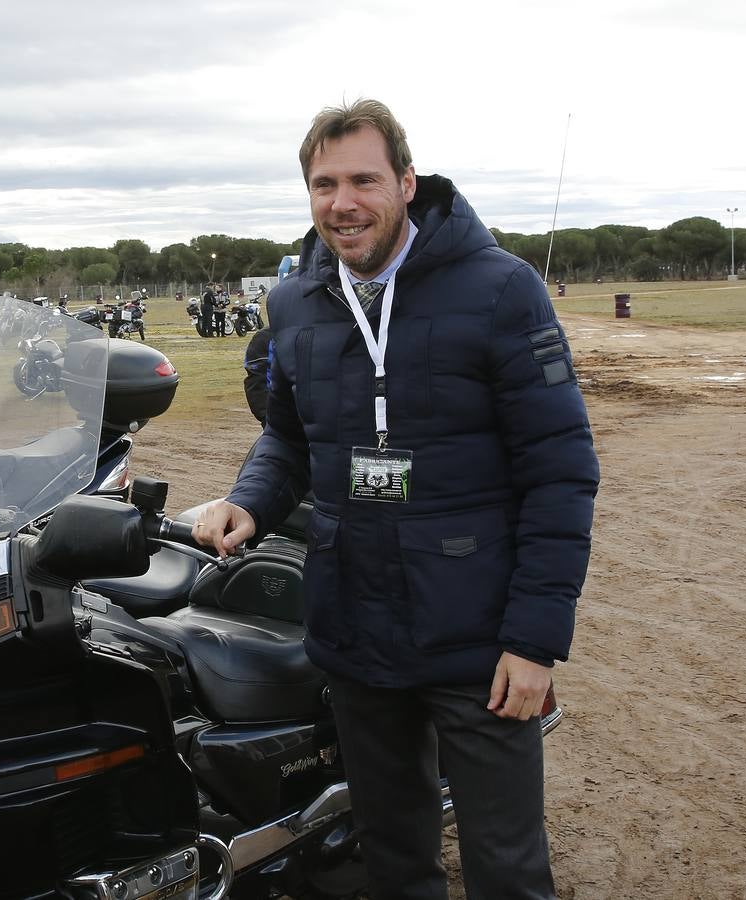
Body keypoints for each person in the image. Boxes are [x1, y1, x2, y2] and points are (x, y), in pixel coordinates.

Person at [192, 100, 599, 899]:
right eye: (323, 183)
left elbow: (561, 471)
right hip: (354, 626)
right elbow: (289, 439)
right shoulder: (295, 304)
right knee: (393, 858)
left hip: (478, 636)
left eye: (364, 180)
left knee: (507, 869)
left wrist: (534, 641)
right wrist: (250, 502)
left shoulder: (500, 290)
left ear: (407, 183)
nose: (342, 202)